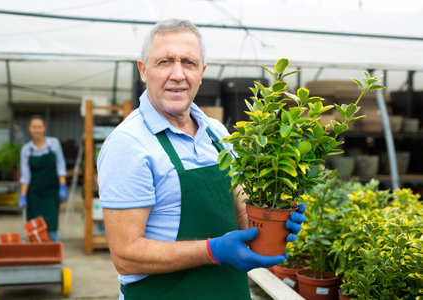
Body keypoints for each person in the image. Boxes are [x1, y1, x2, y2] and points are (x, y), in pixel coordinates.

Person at [97, 19, 306, 300]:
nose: (178, 74)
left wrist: (274, 221)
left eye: (189, 63)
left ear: (202, 72)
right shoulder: (129, 144)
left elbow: (243, 213)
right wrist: (214, 251)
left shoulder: (217, 134)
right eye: (164, 62)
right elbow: (127, 255)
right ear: (143, 70)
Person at [19, 115, 68, 242]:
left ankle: (54, 255)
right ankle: (35, 255)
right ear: (30, 129)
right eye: (34, 127)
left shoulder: (54, 144)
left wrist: (62, 186)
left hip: (51, 193)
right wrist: (23, 195)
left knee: (51, 225)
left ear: (44, 128)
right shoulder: (26, 149)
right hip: (33, 195)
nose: (37, 130)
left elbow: (60, 167)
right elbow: (25, 176)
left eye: (40, 127)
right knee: (34, 227)